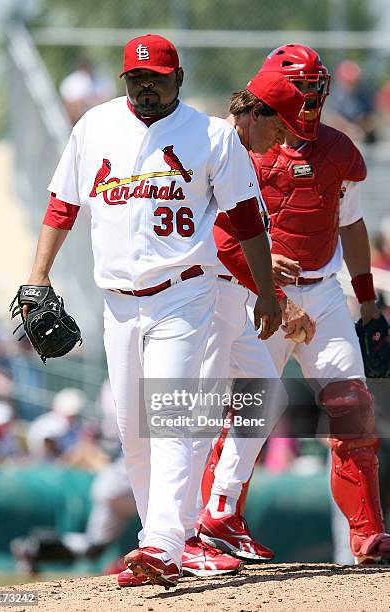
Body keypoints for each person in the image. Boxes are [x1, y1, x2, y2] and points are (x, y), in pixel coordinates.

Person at [20, 33, 282, 588]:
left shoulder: (209, 135)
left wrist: (265, 291)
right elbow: (62, 203)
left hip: (185, 292)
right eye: (136, 77)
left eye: (156, 77)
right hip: (117, 301)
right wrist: (37, 274)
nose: (145, 85)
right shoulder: (96, 126)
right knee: (130, 429)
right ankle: (158, 538)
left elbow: (246, 220)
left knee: (170, 416)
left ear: (177, 78)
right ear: (125, 80)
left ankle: (164, 542)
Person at [197, 44, 390, 565]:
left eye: (314, 89)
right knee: (250, 407)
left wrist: (367, 303)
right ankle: (216, 523)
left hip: (322, 288)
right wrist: (272, 289)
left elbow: (350, 224)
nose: (309, 100)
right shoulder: (234, 144)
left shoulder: (337, 150)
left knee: (352, 405)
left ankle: (368, 535)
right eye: (299, 89)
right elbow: (219, 229)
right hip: (253, 288)